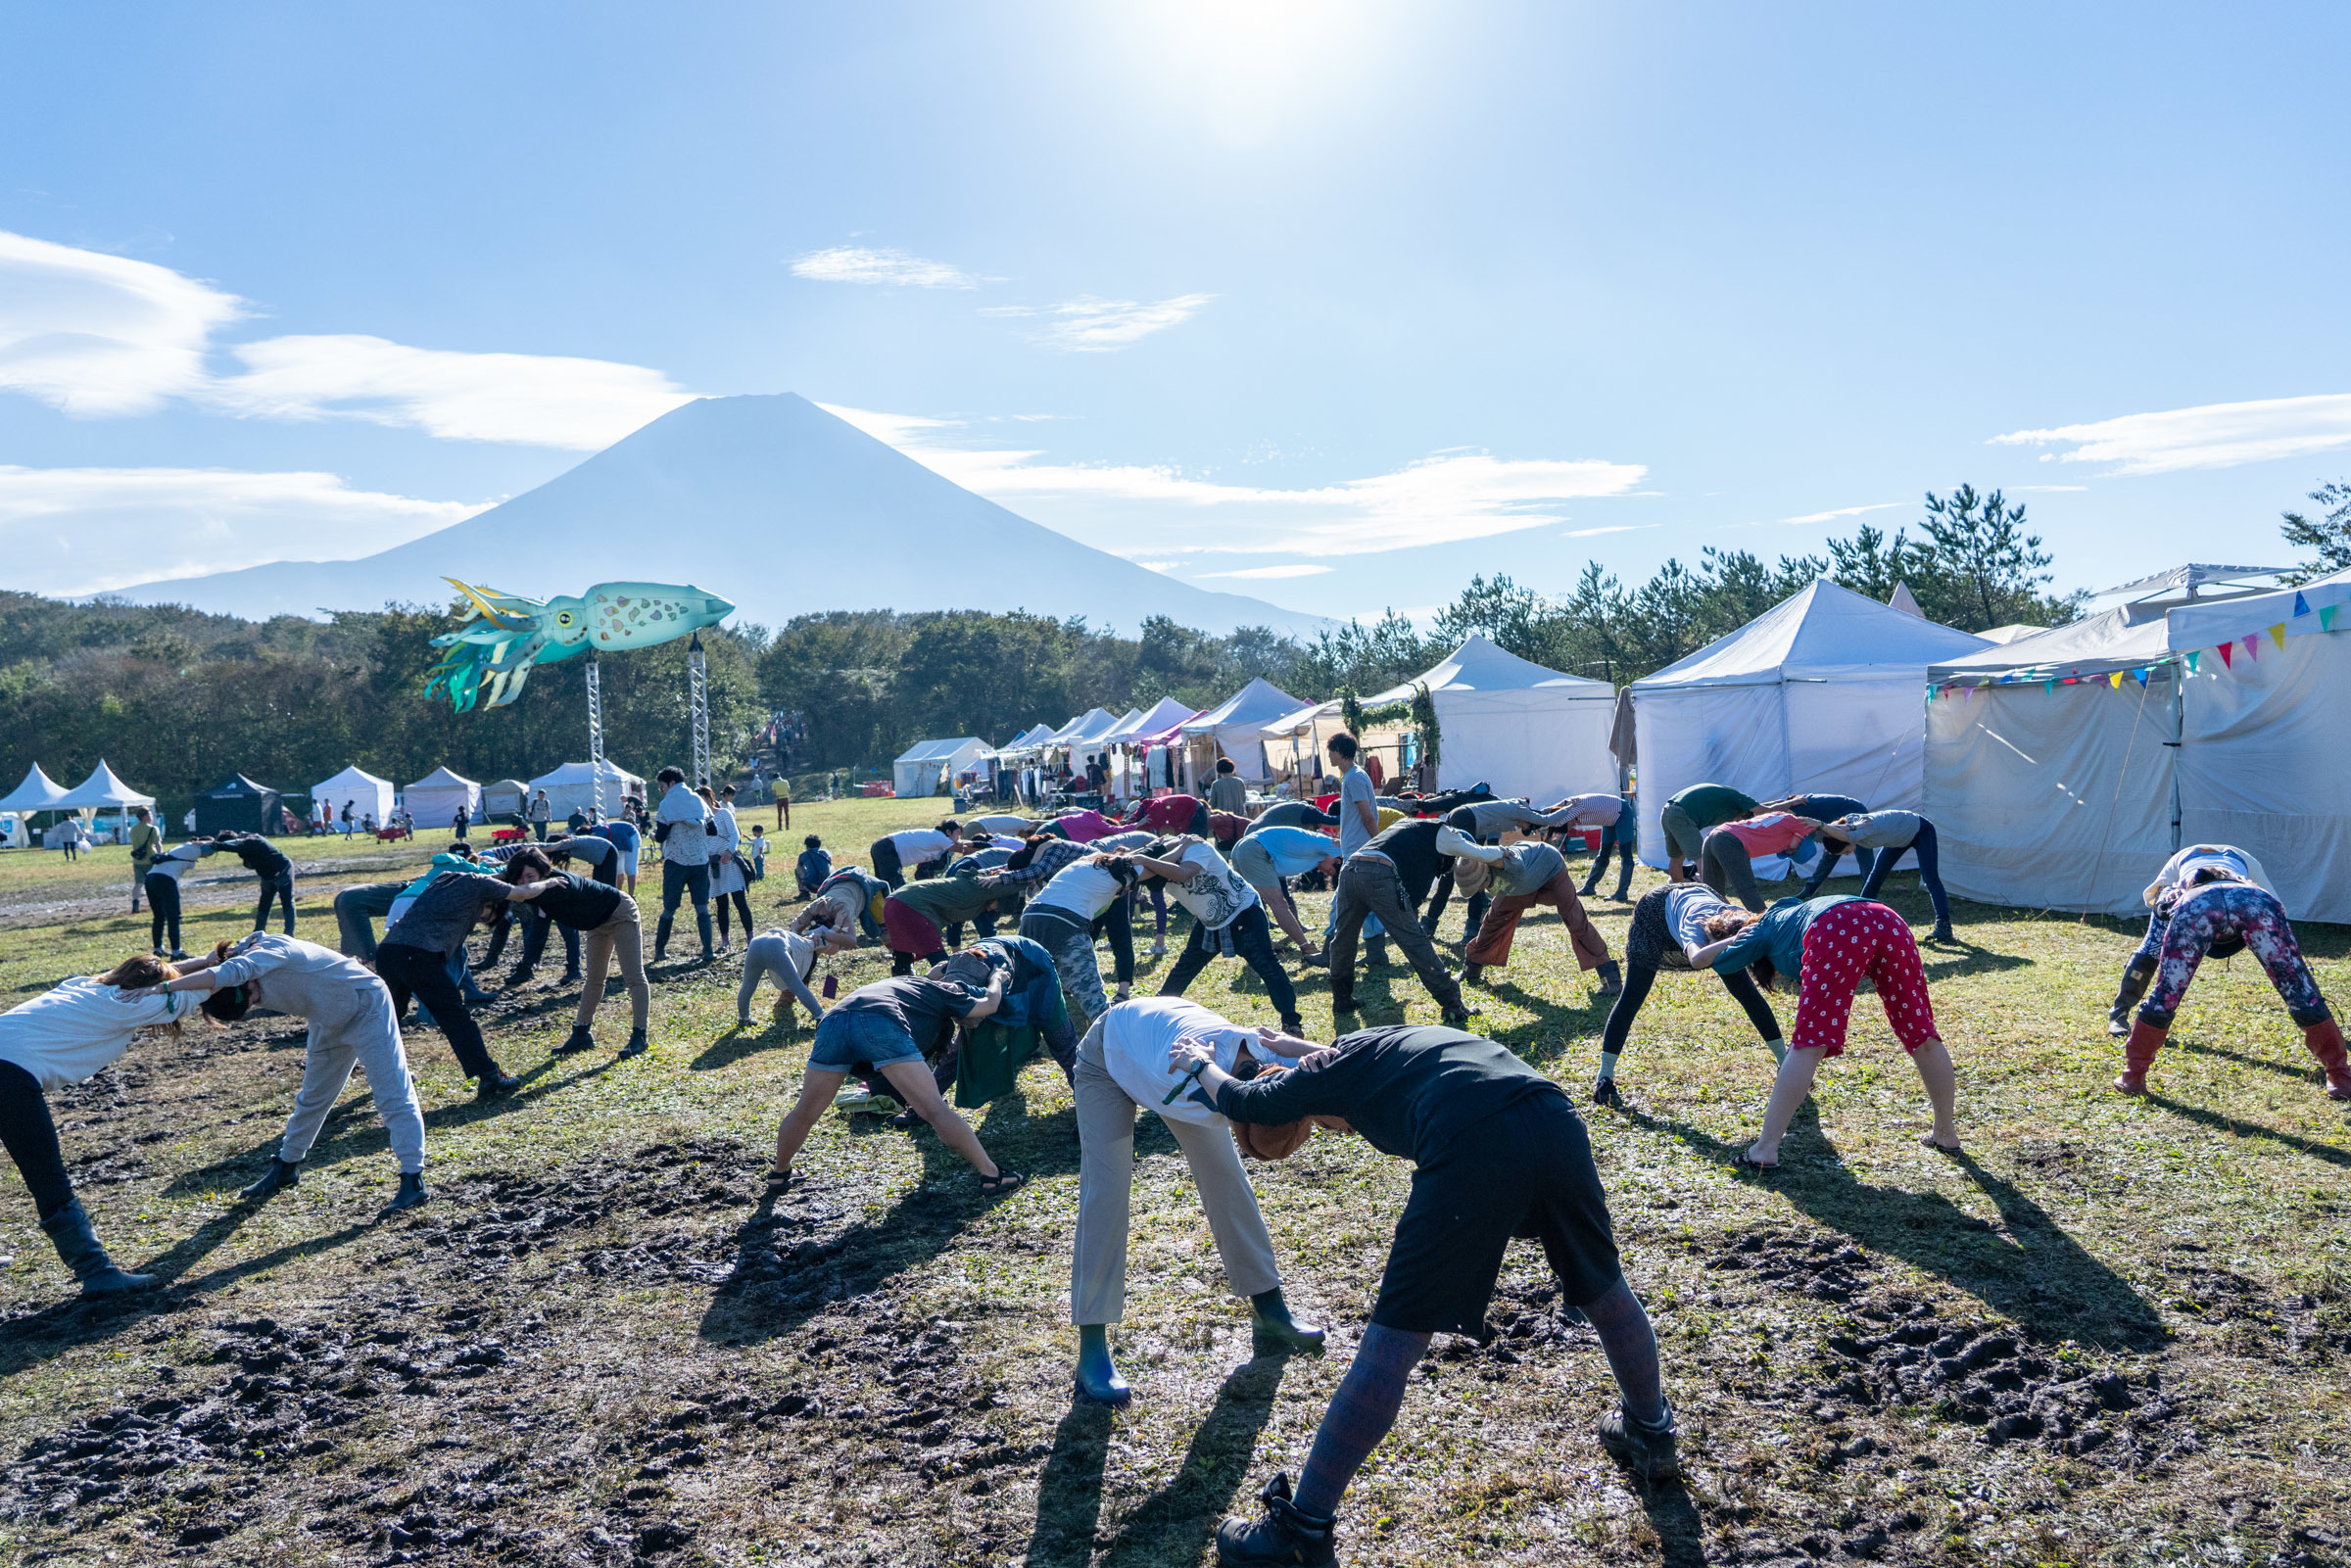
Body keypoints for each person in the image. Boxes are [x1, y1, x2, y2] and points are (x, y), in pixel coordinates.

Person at [1188, 1022, 1679, 1562]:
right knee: (1604, 1290)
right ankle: (1650, 1432)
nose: (1338, 1129)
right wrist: (1284, 1043)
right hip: (1551, 1115)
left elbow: (1243, 1096)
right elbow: (1337, 1060)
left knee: (1391, 1345)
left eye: (1322, 1123)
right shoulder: (1370, 1044)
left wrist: (1197, 1062)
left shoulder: (1316, 1078)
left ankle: (1298, 1533)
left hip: (1471, 1135)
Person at [1069, 999, 1327, 1405]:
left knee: (1226, 1176)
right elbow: (1222, 1094)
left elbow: (1337, 1060)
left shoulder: (1265, 1053)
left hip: (1160, 1038)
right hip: (1109, 1057)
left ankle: (1269, 1307)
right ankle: (1092, 1349)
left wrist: (1300, 1049)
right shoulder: (1192, 1081)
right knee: (1107, 1190)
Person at [132, 933, 429, 1213]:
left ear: (245, 981)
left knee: (392, 1093)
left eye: (251, 999)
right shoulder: (239, 960)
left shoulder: (270, 953)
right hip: (328, 1017)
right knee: (313, 1098)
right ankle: (285, 1168)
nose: (257, 1002)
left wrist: (163, 988)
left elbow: (227, 973)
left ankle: (413, 1179)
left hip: (367, 1006)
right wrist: (155, 981)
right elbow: (209, 964)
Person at [1688, 896, 1960, 1168]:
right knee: (1921, 1033)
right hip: (1888, 919)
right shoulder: (1787, 913)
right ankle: (1946, 1134)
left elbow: (1714, 962)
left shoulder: (1759, 930)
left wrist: (1729, 940)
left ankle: (1765, 1149)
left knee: (1809, 1044)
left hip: (1836, 927)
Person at [0, 957, 201, 1295]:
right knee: (49, 1181)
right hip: (8, 1076)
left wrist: (208, 960)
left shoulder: (82, 986)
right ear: (149, 989)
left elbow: (166, 981)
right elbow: (186, 998)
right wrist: (238, 969)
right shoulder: (128, 1004)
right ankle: (97, 1273)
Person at [764, 968, 1026, 1196]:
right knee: (934, 1109)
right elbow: (989, 1004)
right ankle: (991, 1174)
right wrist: (997, 979)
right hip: (880, 1021)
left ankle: (780, 1171)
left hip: (833, 1020)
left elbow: (934, 972)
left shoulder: (907, 983)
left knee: (805, 1111)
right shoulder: (945, 991)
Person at [2112, 862, 2350, 1100]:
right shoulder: (2251, 884)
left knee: (2165, 996)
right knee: (2302, 994)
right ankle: (2340, 1077)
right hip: (2256, 904)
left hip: (2198, 906)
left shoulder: (2183, 886)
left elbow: (2161, 913)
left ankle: (2133, 1076)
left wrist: (2172, 900)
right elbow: (2279, 912)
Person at [1593, 880, 1787, 1107]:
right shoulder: (1694, 927)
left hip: (1702, 892)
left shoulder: (1736, 918)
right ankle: (1604, 1078)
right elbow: (1697, 959)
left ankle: (1785, 1063)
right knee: (1633, 995)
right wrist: (1733, 941)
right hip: (1656, 911)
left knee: (1747, 993)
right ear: (1713, 940)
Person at [376, 862, 558, 1098]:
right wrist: (550, 882)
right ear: (492, 899)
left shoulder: (447, 878)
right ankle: (490, 1076)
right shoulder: (480, 884)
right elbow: (523, 894)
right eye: (488, 915)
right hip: (417, 956)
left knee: (390, 1019)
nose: (481, 919)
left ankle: (388, 1075)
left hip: (389, 951)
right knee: (456, 1018)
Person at [2102, 844, 2275, 1034]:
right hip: (2186, 867)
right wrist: (2169, 906)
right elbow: (2159, 907)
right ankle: (2119, 1012)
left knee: (2272, 944)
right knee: (2154, 944)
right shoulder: (2176, 889)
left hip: (2238, 869)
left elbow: (2277, 913)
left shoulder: (2253, 889)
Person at [1147, 835, 1308, 1036]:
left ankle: (1291, 1023)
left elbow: (1183, 873)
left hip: (1243, 912)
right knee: (1185, 967)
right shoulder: (1156, 866)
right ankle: (1156, 1014)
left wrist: (1153, 857)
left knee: (1267, 965)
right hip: (1211, 920)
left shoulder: (1197, 847)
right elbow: (1133, 868)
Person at [496, 849, 650, 1058]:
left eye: (530, 877)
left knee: (633, 976)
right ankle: (581, 1034)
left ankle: (640, 1036)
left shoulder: (560, 883)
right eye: (520, 878)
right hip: (597, 922)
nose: (525, 883)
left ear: (543, 873)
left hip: (619, 912)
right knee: (594, 979)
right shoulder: (533, 889)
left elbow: (527, 891)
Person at [1440, 828, 1623, 996]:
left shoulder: (1511, 865)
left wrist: (1499, 853)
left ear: (1486, 874)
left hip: (1550, 870)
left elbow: (1501, 856)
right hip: (1523, 882)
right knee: (1493, 920)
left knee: (1576, 920)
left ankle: (1610, 978)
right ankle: (1470, 970)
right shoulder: (1487, 871)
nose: (1479, 891)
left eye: (1477, 886)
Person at [1327, 816, 1471, 1027]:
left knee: (1344, 938)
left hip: (1351, 868)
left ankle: (1341, 999)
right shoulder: (1430, 850)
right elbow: (1412, 916)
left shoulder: (1409, 836)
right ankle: (1452, 1004)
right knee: (1414, 940)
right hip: (1377, 872)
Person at [1019, 850, 1157, 1030]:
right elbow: (1157, 867)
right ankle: (1115, 1035)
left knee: (1030, 986)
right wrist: (1176, 847)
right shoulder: (1117, 874)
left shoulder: (1082, 865)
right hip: (1063, 922)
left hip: (1031, 917)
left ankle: (1026, 1040)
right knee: (1092, 996)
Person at [1813, 809, 1954, 943]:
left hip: (1920, 829)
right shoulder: (1850, 823)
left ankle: (1944, 926)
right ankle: (1861, 918)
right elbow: (1836, 828)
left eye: (1845, 851)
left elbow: (1844, 833)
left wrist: (1818, 824)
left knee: (1930, 878)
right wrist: (1821, 828)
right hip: (1897, 837)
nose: (1848, 854)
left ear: (1845, 842)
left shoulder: (1863, 829)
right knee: (1876, 877)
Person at [1326, 731, 1390, 968]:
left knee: (1340, 903)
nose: (1329, 755)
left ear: (1340, 751)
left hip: (1360, 850)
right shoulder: (1353, 776)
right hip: (1357, 848)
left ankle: (1328, 950)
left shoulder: (1353, 778)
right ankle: (1376, 953)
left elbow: (1366, 815)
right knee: (1367, 902)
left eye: (1331, 750)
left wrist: (1379, 843)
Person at [1229, 825, 1338, 956]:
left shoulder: (1320, 854)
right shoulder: (1330, 845)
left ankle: (1264, 943)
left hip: (1245, 847)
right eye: (1330, 870)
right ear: (1337, 860)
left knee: (1250, 902)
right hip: (1255, 850)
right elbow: (1350, 846)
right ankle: (1307, 948)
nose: (1325, 873)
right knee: (1278, 903)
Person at [883, 870, 1013, 974]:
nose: (997, 910)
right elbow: (1015, 883)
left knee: (903, 957)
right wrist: (1028, 878)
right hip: (911, 906)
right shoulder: (983, 887)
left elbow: (955, 924)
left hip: (893, 902)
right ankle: (951, 993)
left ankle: (902, 986)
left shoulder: (972, 896)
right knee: (941, 962)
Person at [1698, 811, 1824, 913]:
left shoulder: (1780, 816)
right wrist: (1825, 826)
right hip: (1730, 840)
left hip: (1714, 835)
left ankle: (1712, 923)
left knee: (1712, 891)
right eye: (1794, 850)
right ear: (1800, 837)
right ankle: (1764, 922)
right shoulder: (1798, 824)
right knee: (1746, 888)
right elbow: (1827, 827)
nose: (1788, 851)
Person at [651, 766, 715, 963]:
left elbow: (661, 836)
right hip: (699, 861)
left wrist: (653, 836)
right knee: (702, 908)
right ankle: (708, 950)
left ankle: (660, 951)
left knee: (669, 907)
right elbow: (712, 829)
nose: (661, 790)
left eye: (662, 786)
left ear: (671, 783)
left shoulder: (667, 803)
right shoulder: (698, 800)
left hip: (676, 862)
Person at [1755, 792, 1870, 895]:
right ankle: (1808, 891)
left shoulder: (1796, 810)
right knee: (1831, 855)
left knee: (1863, 854)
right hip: (1834, 819)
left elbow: (1769, 808)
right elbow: (1771, 806)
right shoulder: (1791, 808)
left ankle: (1868, 892)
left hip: (1853, 813)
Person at [1659, 782, 1756, 883]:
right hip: (1681, 814)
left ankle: (1676, 887)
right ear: (1743, 813)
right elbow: (1764, 809)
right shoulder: (1735, 800)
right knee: (1701, 857)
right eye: (1738, 820)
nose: (1734, 822)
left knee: (1676, 858)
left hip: (1667, 811)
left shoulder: (1724, 800)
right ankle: (1713, 891)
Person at [1554, 792, 1638, 903]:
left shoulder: (1574, 809)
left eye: (1568, 826)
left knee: (1626, 855)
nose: (1571, 828)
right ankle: (1589, 887)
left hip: (1622, 812)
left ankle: (1622, 892)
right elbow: (1552, 810)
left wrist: (1541, 820)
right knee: (1603, 853)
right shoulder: (1568, 806)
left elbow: (1556, 819)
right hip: (1609, 817)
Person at [739, 926, 829, 1029]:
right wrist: (830, 934)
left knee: (747, 986)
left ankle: (743, 1018)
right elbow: (825, 943)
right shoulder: (806, 942)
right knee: (796, 985)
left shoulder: (789, 934)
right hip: (775, 945)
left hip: (755, 943)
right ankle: (820, 1016)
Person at [213, 828, 298, 935]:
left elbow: (234, 847)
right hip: (268, 876)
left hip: (282, 871)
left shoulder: (251, 841)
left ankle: (289, 934)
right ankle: (258, 932)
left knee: (287, 902)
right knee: (264, 904)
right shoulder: (246, 842)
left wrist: (217, 845)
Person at [144, 834, 215, 958]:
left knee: (159, 916)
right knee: (174, 917)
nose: (209, 855)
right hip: (165, 879)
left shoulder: (184, 847)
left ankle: (158, 949)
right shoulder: (196, 848)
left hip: (150, 878)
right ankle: (176, 952)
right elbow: (212, 845)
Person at [704, 784, 753, 953]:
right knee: (721, 905)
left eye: (702, 799)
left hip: (729, 862)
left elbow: (734, 834)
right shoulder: (699, 819)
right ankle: (725, 941)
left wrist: (728, 851)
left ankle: (750, 938)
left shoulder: (723, 813)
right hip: (714, 865)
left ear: (710, 798)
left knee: (740, 902)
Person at [797, 864, 890, 947]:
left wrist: (825, 934)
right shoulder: (811, 909)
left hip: (870, 889)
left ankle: (899, 957)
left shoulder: (842, 911)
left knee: (886, 930)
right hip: (845, 890)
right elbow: (793, 931)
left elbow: (852, 940)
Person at [870, 821, 959, 889]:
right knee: (898, 887)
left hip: (881, 845)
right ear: (948, 831)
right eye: (958, 833)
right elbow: (962, 848)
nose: (958, 837)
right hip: (887, 847)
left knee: (884, 884)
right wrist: (973, 845)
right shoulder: (941, 838)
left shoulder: (936, 835)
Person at [594, 811, 642, 895]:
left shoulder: (601, 834)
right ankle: (618, 894)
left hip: (631, 835)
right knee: (618, 869)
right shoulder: (596, 832)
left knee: (630, 868)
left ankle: (631, 895)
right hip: (618, 839)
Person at [126, 805, 160, 914]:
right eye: (149, 814)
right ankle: (156, 903)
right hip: (151, 859)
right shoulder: (152, 829)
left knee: (138, 884)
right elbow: (157, 844)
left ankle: (135, 905)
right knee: (154, 883)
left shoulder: (133, 829)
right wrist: (161, 856)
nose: (151, 816)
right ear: (144, 816)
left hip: (138, 860)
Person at [1250, 800, 1341, 832]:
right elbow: (1335, 821)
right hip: (1258, 836)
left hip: (1252, 831)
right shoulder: (1310, 813)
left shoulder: (1300, 813)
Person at [794, 833, 832, 899]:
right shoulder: (826, 853)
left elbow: (799, 867)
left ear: (807, 846)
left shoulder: (803, 855)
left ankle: (804, 892)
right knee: (831, 867)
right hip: (826, 885)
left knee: (797, 870)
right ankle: (829, 891)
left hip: (811, 886)